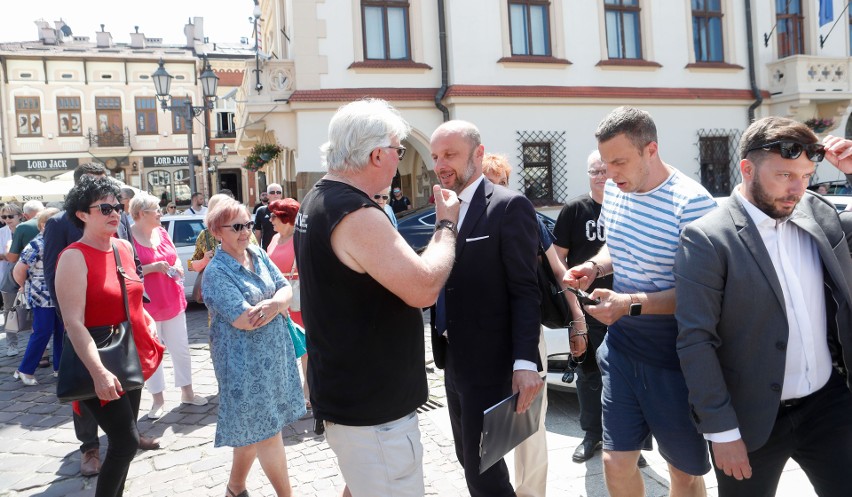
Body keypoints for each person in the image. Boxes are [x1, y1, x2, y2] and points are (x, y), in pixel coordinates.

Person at [674, 118, 852, 497]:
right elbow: (696, 341)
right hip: (751, 421)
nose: (797, 188)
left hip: (829, 406)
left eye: (806, 175)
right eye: (785, 174)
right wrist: (721, 431)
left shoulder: (817, 212)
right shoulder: (707, 238)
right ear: (747, 168)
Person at [295, 98, 458, 497]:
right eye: (398, 151)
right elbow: (423, 287)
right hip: (373, 410)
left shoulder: (319, 198)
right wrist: (445, 226)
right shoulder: (357, 214)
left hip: (351, 396)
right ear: (376, 154)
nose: (400, 161)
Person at [565, 106, 716, 497]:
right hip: (623, 349)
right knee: (615, 462)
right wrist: (594, 267)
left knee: (683, 473)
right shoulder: (618, 187)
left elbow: (701, 294)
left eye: (619, 162)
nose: (610, 174)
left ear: (651, 150)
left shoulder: (692, 204)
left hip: (675, 357)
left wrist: (629, 303)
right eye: (605, 163)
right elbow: (618, 244)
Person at [431, 121, 543, 497]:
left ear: (478, 154)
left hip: (490, 363)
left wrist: (525, 363)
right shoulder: (446, 209)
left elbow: (526, 290)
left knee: (484, 472)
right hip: (453, 359)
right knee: (470, 461)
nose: (440, 164)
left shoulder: (509, 207)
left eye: (449, 154)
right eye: (435, 156)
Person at [480, 152, 585, 497]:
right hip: (483, 335)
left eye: (501, 182)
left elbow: (558, 270)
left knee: (530, 423)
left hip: (525, 332)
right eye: (489, 183)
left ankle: (530, 493)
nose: (496, 190)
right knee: (486, 424)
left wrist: (578, 318)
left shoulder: (522, 215)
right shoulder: (469, 220)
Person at [43, 162, 157, 477]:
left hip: (127, 343)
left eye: (117, 205)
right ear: (82, 211)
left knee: (125, 441)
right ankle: (89, 448)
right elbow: (61, 287)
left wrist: (143, 315)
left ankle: (125, 441)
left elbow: (131, 278)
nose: (114, 212)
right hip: (91, 340)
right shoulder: (64, 237)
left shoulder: (119, 240)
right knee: (120, 440)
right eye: (104, 206)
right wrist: (70, 315)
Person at [552, 150, 651, 466]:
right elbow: (557, 258)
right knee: (589, 375)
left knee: (632, 375)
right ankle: (592, 435)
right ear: (589, 175)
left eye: (604, 170)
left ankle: (631, 444)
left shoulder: (631, 207)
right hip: (588, 310)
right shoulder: (575, 210)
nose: (600, 176)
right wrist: (574, 306)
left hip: (628, 308)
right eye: (594, 171)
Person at [201, 197, 304, 497]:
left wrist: (274, 303)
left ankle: (235, 489)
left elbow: (284, 286)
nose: (246, 231)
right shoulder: (217, 272)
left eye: (248, 224)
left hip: (273, 356)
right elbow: (246, 319)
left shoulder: (257, 253)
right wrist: (276, 306)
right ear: (217, 231)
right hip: (244, 367)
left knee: (251, 430)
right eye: (237, 227)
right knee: (268, 432)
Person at [129, 194, 207, 420]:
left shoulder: (162, 232)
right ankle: (157, 400)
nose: (161, 213)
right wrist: (152, 267)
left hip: (173, 299)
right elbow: (127, 270)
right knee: (153, 353)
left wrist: (175, 267)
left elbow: (172, 258)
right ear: (142, 213)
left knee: (181, 349)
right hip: (148, 306)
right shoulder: (128, 238)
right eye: (156, 210)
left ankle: (187, 392)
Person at [265, 198, 310, 409]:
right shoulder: (274, 239)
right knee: (281, 348)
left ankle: (307, 392)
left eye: (274, 216)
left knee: (304, 348)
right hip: (277, 300)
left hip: (298, 300)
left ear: (287, 218)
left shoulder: (301, 238)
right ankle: (285, 391)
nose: (270, 220)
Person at [12, 207, 62, 385]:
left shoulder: (56, 241)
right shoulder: (37, 243)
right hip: (42, 295)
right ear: (43, 225)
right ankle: (25, 370)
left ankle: (60, 368)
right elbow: (19, 269)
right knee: (42, 332)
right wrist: (24, 285)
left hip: (58, 294)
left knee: (61, 332)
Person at [0, 203, 24, 355]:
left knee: (33, 309)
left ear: (20, 216)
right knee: (10, 311)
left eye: (10, 216)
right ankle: (12, 344)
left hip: (27, 274)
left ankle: (42, 342)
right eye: (4, 216)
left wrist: (9, 256)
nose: (7, 219)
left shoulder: (26, 229)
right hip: (8, 276)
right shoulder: (2, 232)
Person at [253, 184, 283, 249]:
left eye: (278, 192)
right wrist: (257, 251)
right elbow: (258, 233)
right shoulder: (261, 211)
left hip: (284, 250)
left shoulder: (287, 210)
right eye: (272, 192)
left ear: (281, 195)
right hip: (267, 251)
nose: (275, 194)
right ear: (267, 195)